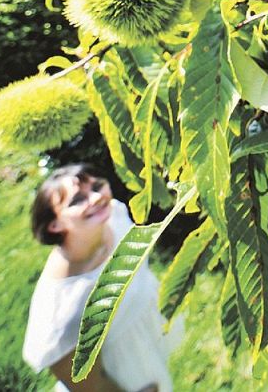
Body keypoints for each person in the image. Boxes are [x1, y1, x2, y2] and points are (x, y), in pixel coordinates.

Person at [22, 164, 182, 391]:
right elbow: (83, 383)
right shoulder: (62, 308)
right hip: (122, 372)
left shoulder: (114, 213)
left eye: (97, 186)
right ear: (54, 224)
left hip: (143, 336)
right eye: (77, 200)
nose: (96, 197)